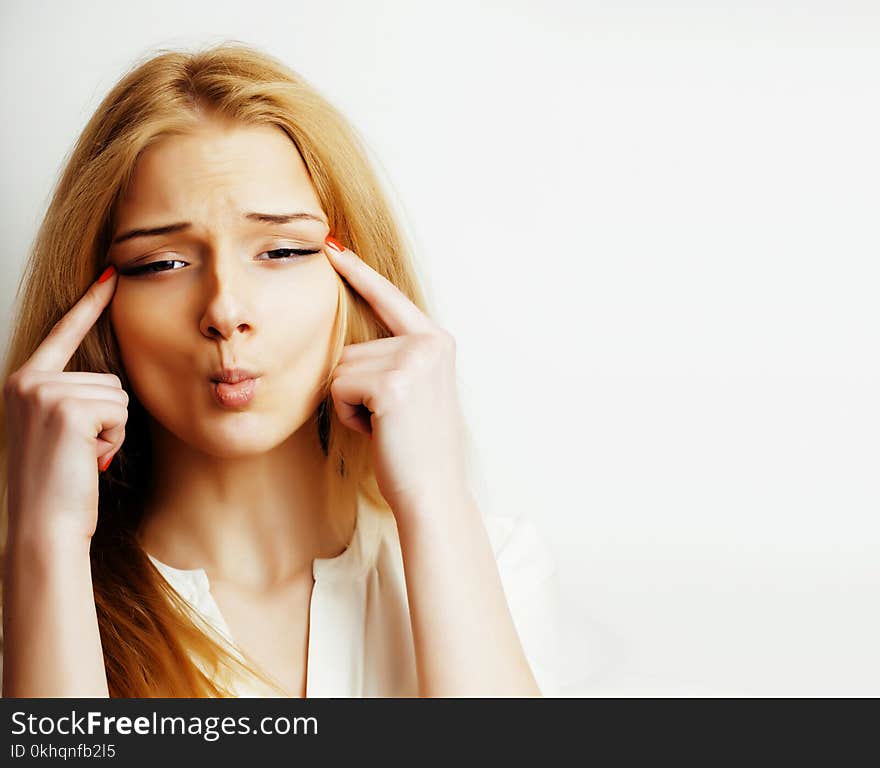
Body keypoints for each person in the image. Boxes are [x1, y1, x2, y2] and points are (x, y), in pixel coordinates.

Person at [0, 42, 560, 698]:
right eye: (162, 263)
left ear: (359, 279)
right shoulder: (33, 591)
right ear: (96, 305)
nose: (225, 310)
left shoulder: (493, 564)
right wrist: (47, 538)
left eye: (284, 250)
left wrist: (435, 495)